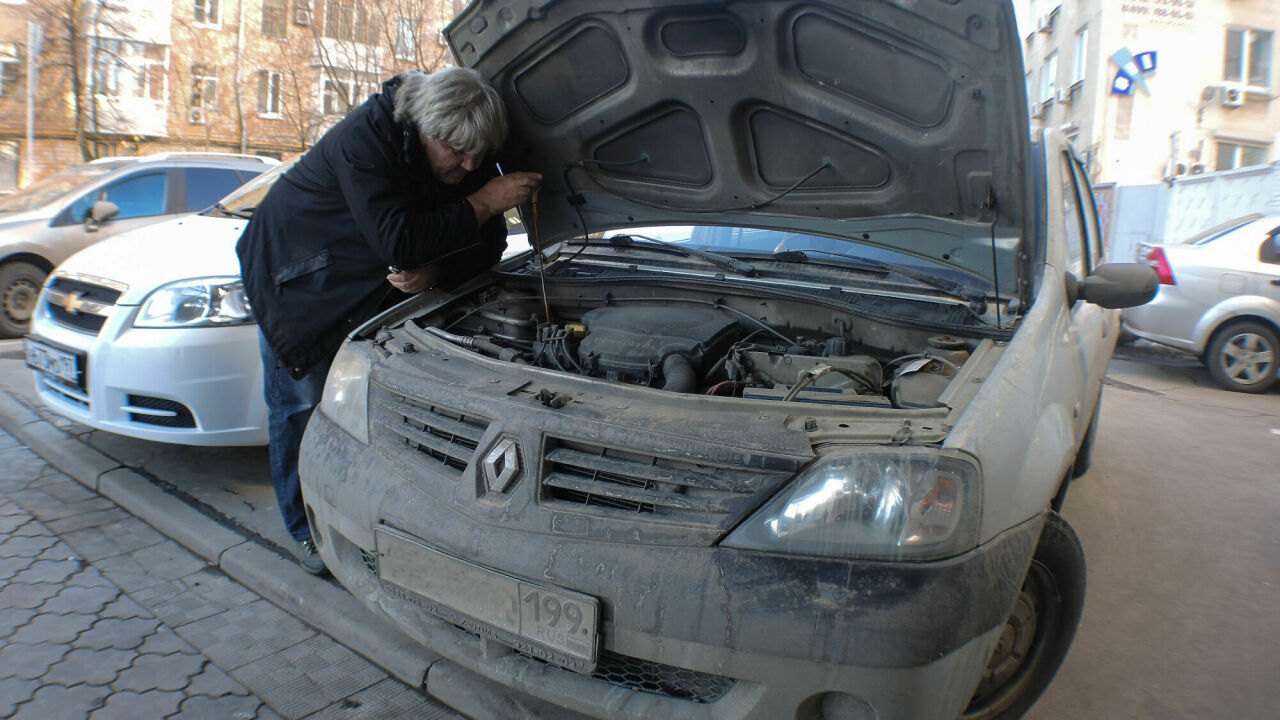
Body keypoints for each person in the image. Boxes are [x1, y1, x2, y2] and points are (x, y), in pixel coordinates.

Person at [236, 68, 540, 574]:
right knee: (301, 404)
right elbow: (398, 240)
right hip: (297, 280)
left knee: (364, 407)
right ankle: (304, 531)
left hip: (362, 288)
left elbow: (489, 244)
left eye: (478, 155)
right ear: (424, 127)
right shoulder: (367, 137)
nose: (468, 165)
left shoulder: (463, 151)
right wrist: (486, 201)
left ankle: (364, 516)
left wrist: (439, 266)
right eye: (456, 151)